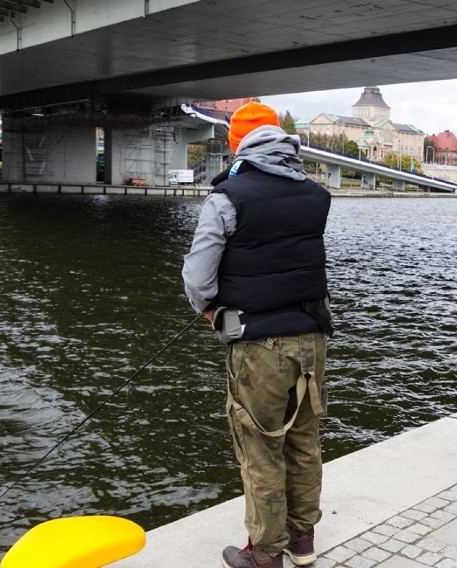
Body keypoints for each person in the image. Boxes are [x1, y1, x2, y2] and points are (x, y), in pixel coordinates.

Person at [182, 100, 333, 568]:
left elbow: (198, 278)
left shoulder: (227, 196)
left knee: (261, 445)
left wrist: (211, 313)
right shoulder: (316, 194)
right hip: (313, 337)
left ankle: (264, 553)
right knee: (304, 439)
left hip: (259, 344)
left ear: (237, 144)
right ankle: (301, 539)